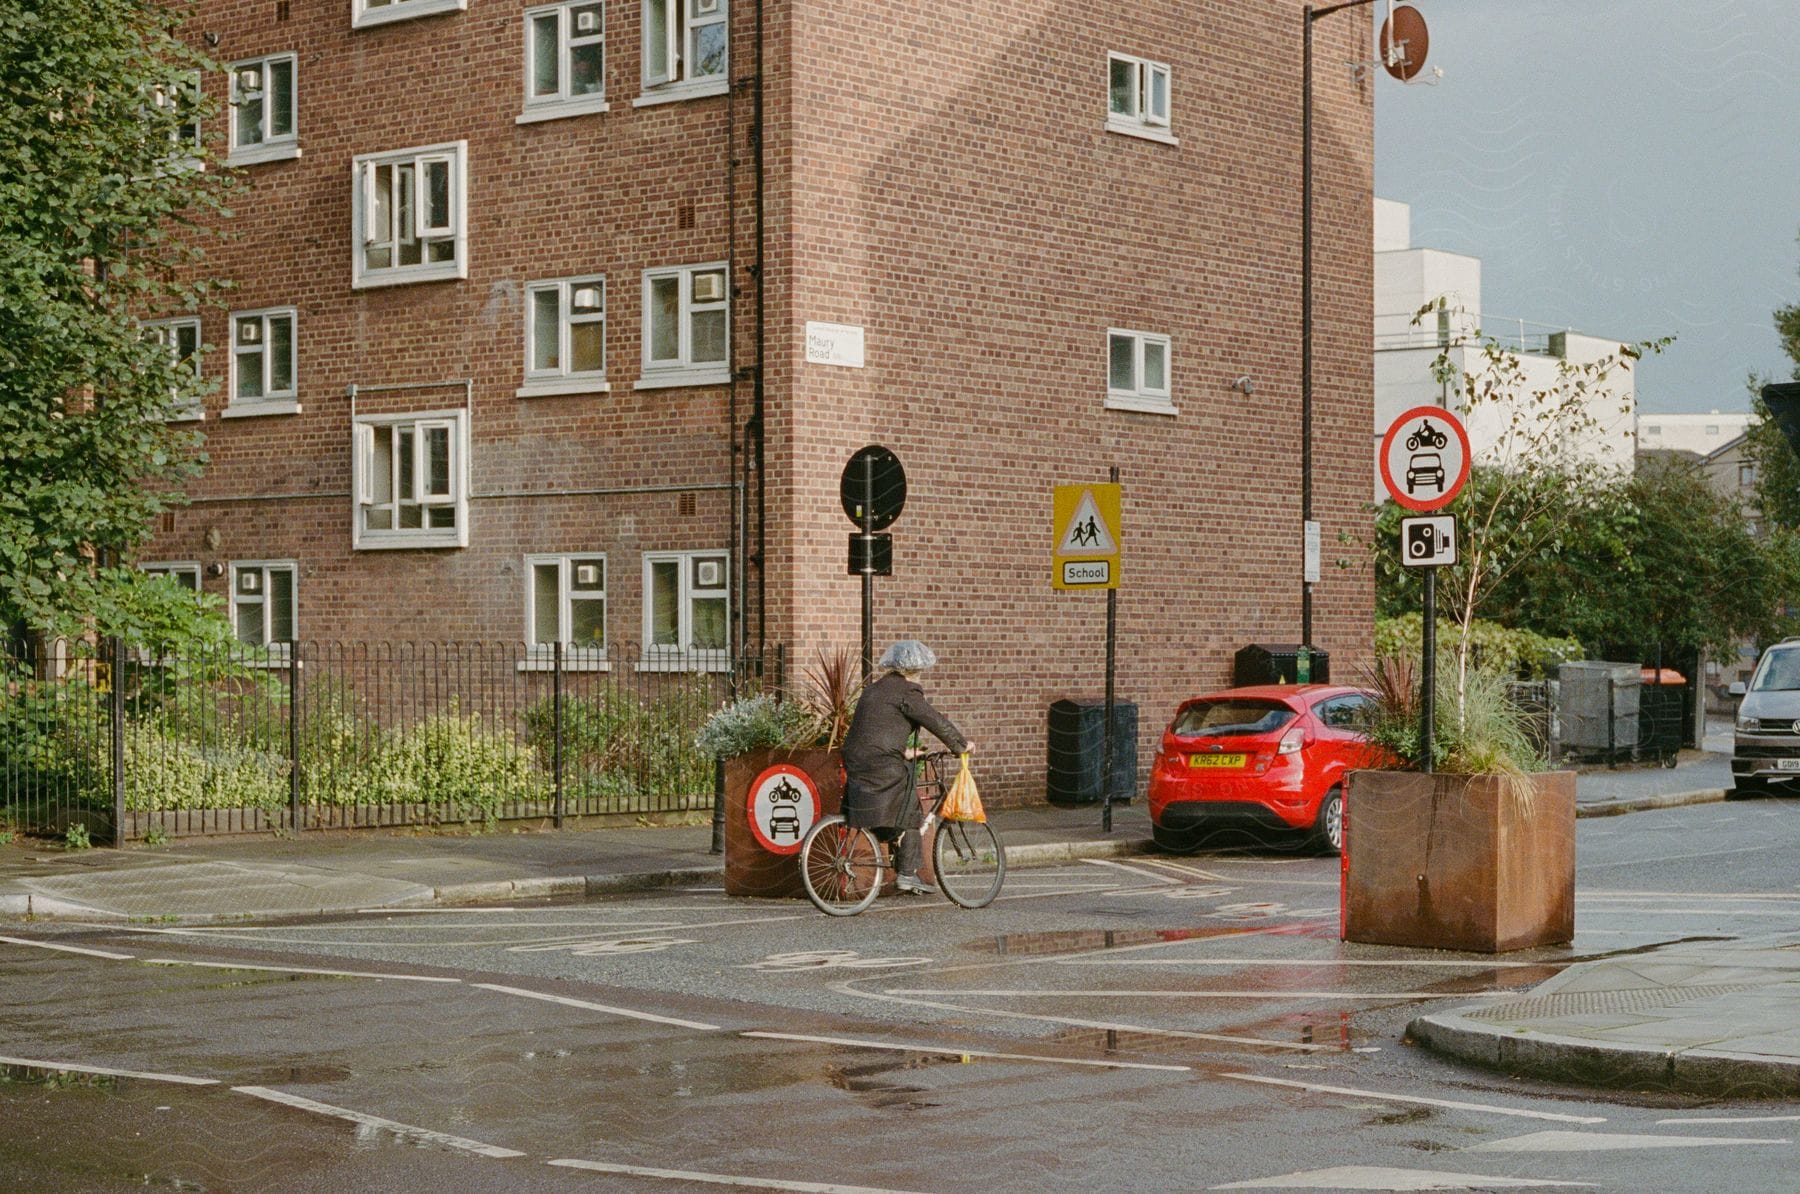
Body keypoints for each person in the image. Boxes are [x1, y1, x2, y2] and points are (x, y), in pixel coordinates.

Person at [840, 640, 973, 896]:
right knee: (911, 812)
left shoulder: (873, 689)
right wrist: (961, 745)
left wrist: (903, 751)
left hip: (857, 758)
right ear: (915, 668)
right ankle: (906, 875)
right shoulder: (907, 692)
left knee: (886, 804)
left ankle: (893, 840)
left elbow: (875, 728)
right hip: (882, 762)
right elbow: (935, 720)